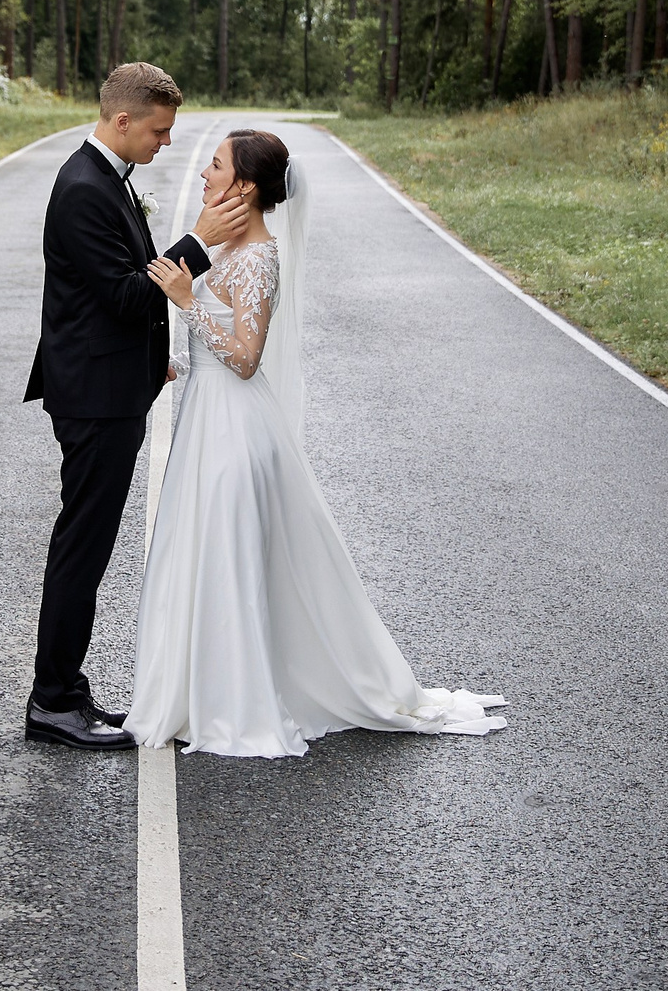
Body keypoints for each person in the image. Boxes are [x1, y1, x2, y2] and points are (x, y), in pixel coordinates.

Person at [129, 127, 507, 758]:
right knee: (207, 551)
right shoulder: (228, 252)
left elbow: (247, 359)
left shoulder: (258, 259)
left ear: (244, 186)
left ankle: (237, 697)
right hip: (208, 417)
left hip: (236, 430)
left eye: (214, 166)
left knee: (231, 556)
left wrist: (188, 301)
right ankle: (201, 688)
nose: (203, 174)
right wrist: (176, 351)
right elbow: (214, 345)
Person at [22, 63, 241, 750]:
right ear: (122, 120)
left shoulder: (101, 177)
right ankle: (51, 701)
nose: (167, 142)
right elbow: (124, 294)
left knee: (86, 547)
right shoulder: (84, 188)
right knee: (80, 550)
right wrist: (199, 241)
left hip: (108, 384)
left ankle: (70, 689)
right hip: (93, 398)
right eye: (159, 129)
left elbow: (111, 296)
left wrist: (156, 357)